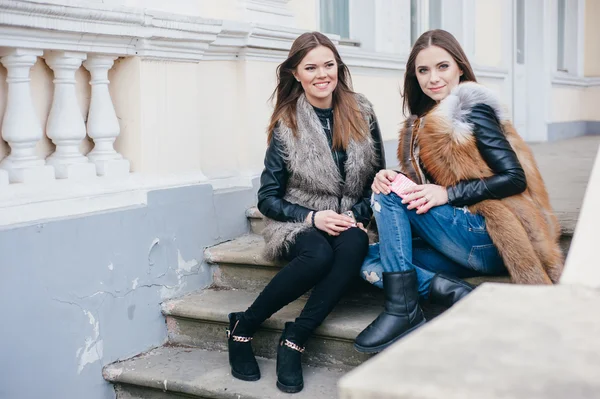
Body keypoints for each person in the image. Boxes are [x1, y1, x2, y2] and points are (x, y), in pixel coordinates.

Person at [354, 29, 564, 354]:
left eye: (443, 67)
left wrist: (447, 195)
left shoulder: (471, 110)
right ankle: (455, 295)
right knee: (365, 257)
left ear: (460, 69)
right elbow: (429, 181)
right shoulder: (424, 122)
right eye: (423, 71)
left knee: (389, 196)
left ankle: (402, 311)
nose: (433, 78)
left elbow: (513, 178)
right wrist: (391, 176)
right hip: (457, 242)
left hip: (489, 235)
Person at [226, 32, 385, 393]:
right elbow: (267, 198)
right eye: (310, 67)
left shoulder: (363, 110)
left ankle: (296, 337)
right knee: (316, 254)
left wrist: (357, 213)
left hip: (351, 219)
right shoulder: (287, 122)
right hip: (299, 220)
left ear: (338, 67)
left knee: (355, 241)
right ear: (296, 73)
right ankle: (243, 327)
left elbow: (378, 178)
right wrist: (314, 218)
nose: (321, 74)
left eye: (328, 65)